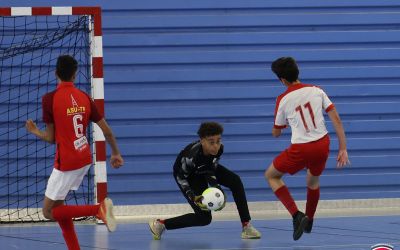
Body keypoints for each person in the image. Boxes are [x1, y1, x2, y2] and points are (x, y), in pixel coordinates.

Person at [26, 55, 124, 250]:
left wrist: (35, 131)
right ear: (75, 75)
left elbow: (51, 138)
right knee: (60, 207)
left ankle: (98, 209)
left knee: (48, 212)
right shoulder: (85, 97)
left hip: (66, 163)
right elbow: (107, 130)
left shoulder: (49, 99)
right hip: (85, 158)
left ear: (56, 73)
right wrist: (115, 153)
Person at [265, 57, 350, 241]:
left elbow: (276, 133)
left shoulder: (283, 99)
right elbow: (336, 119)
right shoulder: (316, 90)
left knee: (271, 176)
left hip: (301, 148)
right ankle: (309, 219)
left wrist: (277, 128)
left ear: (282, 80)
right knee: (313, 181)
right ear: (298, 72)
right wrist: (342, 148)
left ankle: (297, 215)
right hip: (322, 144)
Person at [149, 122, 261, 240]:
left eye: (218, 141)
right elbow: (182, 178)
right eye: (211, 142)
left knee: (235, 181)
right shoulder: (194, 156)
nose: (216, 146)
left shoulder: (219, 149)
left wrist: (219, 193)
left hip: (206, 167)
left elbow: (210, 171)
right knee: (204, 218)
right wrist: (193, 197)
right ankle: (160, 224)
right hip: (187, 176)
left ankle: (246, 225)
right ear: (202, 141)